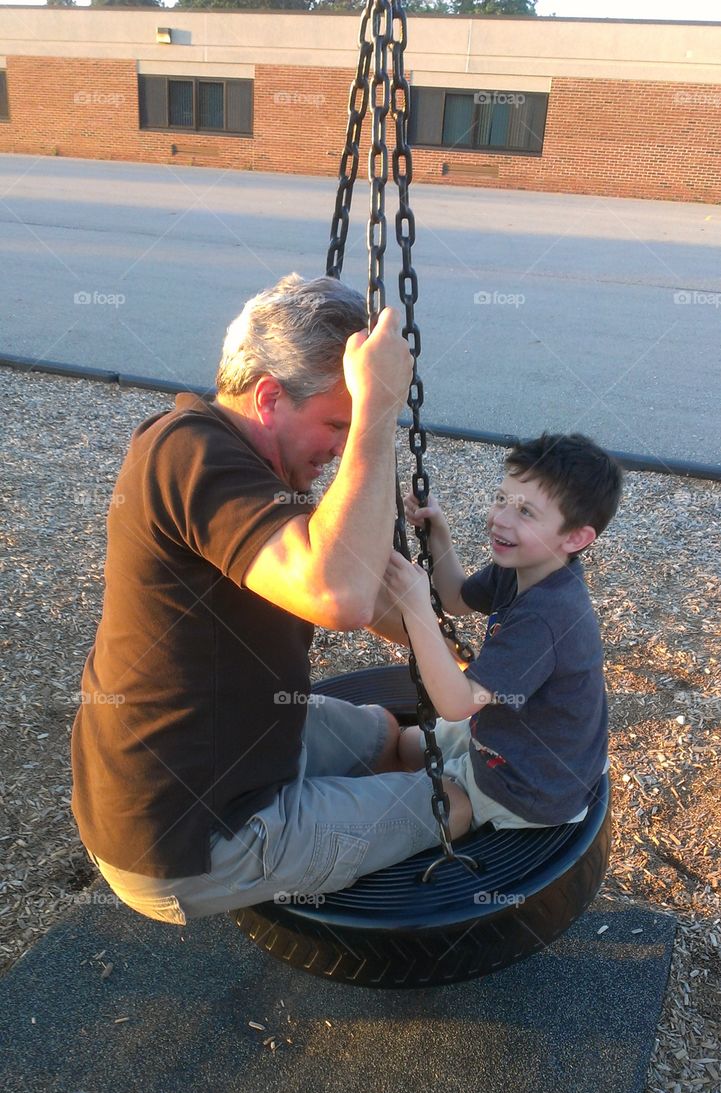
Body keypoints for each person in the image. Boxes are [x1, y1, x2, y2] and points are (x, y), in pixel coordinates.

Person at [70, 274, 471, 925]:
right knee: (455, 801)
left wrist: (461, 644)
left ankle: (353, 816)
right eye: (335, 424)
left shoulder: (251, 467)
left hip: (234, 742)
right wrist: (376, 413)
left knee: (385, 736)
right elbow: (337, 596)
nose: (341, 447)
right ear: (267, 397)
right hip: (190, 834)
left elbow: (377, 602)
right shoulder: (186, 454)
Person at [383, 432, 623, 832]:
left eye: (526, 512)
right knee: (404, 746)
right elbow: (456, 596)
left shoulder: (547, 616)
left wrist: (415, 606)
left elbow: (456, 703)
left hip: (530, 786)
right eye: (501, 499)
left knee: (412, 801)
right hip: (511, 734)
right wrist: (438, 531)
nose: (501, 519)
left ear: (575, 537)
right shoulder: (526, 567)